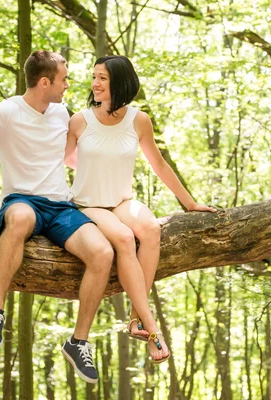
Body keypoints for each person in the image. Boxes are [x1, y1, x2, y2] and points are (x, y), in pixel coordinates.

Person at [0, 50, 113, 384]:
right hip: (23, 201)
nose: (68, 85)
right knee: (18, 220)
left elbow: (75, 154)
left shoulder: (63, 113)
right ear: (45, 82)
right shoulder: (8, 111)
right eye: (64, 79)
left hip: (61, 207)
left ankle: (79, 342)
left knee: (103, 253)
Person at [65, 55, 215, 363]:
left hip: (122, 201)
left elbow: (159, 164)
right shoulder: (80, 120)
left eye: (102, 78)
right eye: (94, 77)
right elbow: (60, 159)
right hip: (88, 203)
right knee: (122, 238)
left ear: (119, 82)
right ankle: (153, 329)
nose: (95, 83)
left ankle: (136, 320)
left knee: (150, 230)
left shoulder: (139, 120)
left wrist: (189, 203)